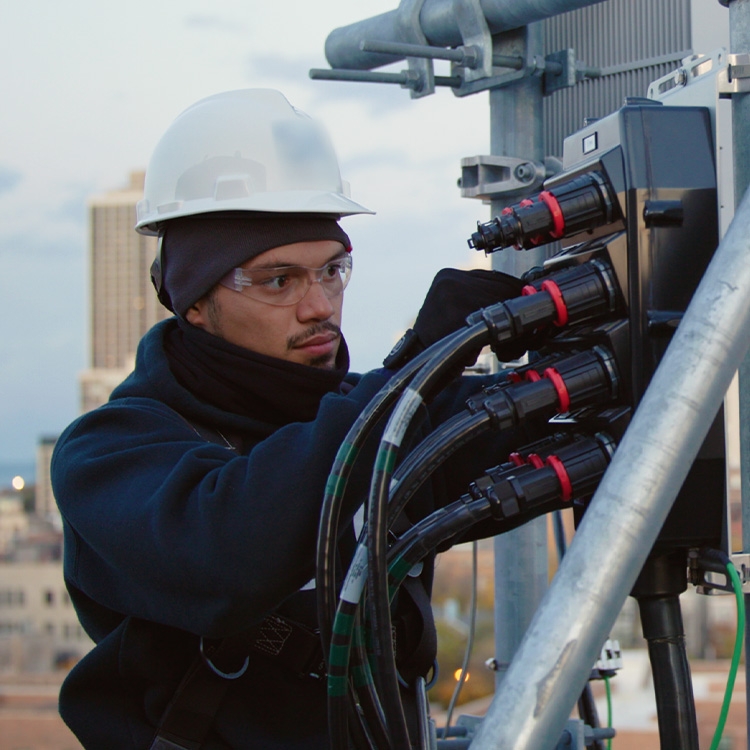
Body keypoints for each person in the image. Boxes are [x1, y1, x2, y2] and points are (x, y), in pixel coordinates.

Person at [51, 88, 525, 749]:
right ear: (193, 301)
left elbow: (518, 434)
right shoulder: (110, 451)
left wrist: (592, 351)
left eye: (332, 271)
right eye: (279, 281)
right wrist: (415, 370)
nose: (319, 307)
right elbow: (229, 554)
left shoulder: (376, 410)